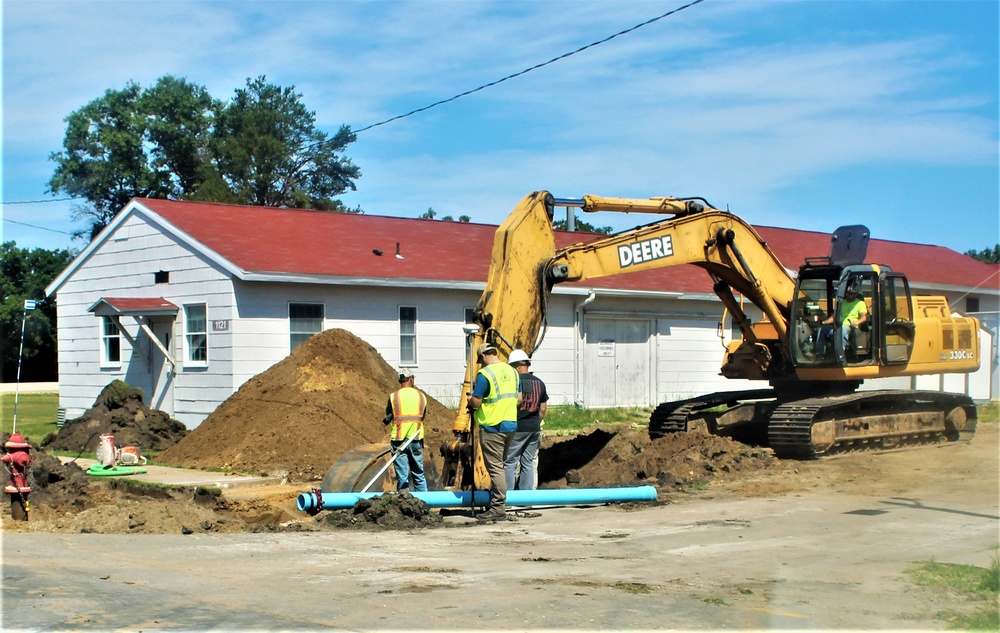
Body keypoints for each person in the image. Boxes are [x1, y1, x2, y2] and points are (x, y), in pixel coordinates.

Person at [467, 343, 520, 521]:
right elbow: (519, 398)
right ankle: (497, 500)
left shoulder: (485, 374)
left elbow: (476, 402)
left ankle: (498, 507)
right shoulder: (513, 371)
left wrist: (469, 399)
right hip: (510, 424)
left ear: (482, 357)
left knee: (495, 467)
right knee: (501, 465)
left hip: (492, 426)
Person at [504, 349, 548, 491]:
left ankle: (508, 498)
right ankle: (526, 498)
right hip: (534, 428)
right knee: (528, 462)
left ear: (517, 366)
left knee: (510, 462)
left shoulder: (516, 382)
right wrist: (535, 421)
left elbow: (517, 401)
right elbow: (542, 408)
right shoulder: (539, 383)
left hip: (518, 427)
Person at [382, 368, 428, 491]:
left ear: (399, 380)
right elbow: (422, 416)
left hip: (398, 439)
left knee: (402, 477)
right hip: (415, 438)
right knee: (418, 474)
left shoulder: (393, 396)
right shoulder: (421, 396)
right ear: (411, 379)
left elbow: (389, 414)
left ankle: (404, 504)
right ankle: (424, 504)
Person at [815, 277, 869, 359]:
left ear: (855, 294)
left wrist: (857, 322)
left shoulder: (860, 303)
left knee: (843, 329)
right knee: (823, 329)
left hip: (851, 327)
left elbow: (864, 317)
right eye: (847, 293)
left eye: (850, 293)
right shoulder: (842, 302)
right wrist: (823, 322)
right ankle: (819, 353)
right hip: (839, 326)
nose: (848, 295)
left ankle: (840, 354)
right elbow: (834, 317)